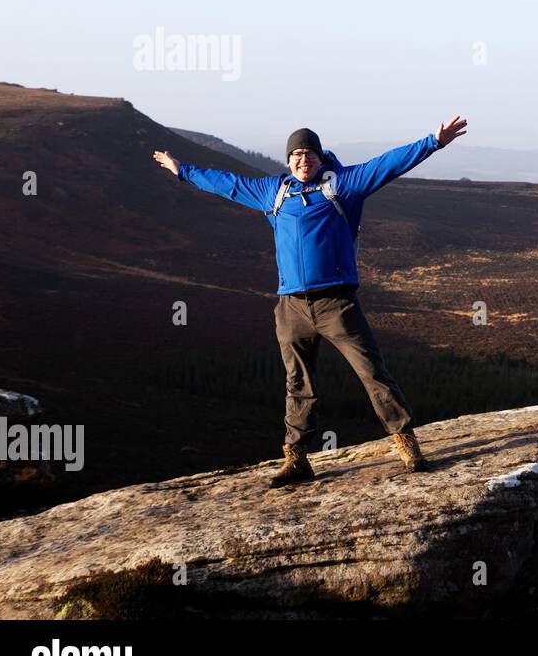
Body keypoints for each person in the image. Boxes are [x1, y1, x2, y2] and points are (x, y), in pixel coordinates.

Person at [152, 117, 467, 487]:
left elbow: (387, 164)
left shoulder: (344, 186)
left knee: (372, 373)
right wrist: (181, 170)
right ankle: (297, 459)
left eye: (310, 155)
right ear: (288, 160)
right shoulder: (274, 192)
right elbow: (229, 185)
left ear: (320, 158)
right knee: (297, 383)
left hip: (337, 303)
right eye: (297, 155)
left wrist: (433, 141)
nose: (304, 161)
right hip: (291, 307)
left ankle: (406, 444)